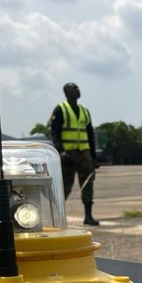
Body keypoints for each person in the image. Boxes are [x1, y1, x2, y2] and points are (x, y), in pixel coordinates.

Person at [50, 82, 99, 226]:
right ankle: (57, 217)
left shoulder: (84, 110)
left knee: (88, 184)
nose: (78, 90)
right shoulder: (60, 109)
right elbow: (55, 133)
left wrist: (94, 156)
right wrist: (61, 151)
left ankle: (88, 216)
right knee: (65, 186)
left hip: (84, 153)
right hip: (69, 155)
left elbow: (90, 134)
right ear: (66, 92)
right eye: (74, 88)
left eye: (78, 87)